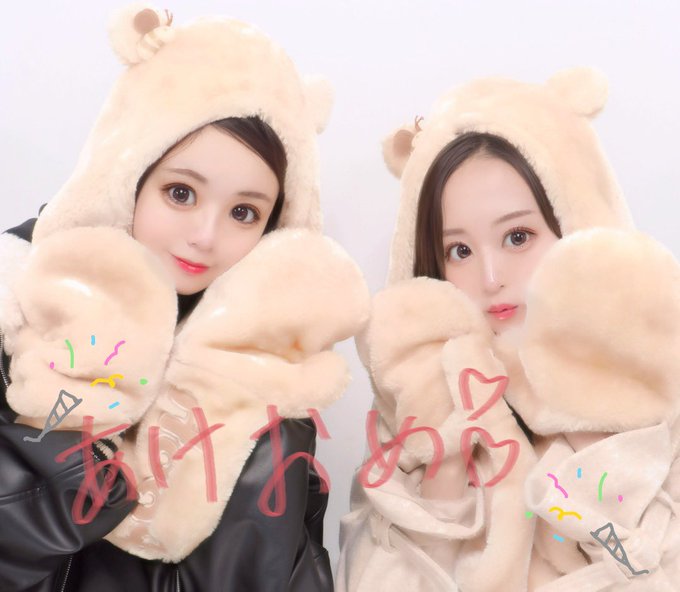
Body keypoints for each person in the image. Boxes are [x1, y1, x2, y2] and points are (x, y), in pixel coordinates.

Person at [0, 5, 369, 591]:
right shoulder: (20, 314)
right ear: (129, 178)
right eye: (180, 193)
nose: (205, 235)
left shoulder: (273, 387)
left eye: (244, 212)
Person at [338, 68, 680, 591]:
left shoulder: (654, 386)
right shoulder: (415, 404)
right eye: (460, 250)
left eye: (518, 236)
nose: (491, 277)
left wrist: (591, 432)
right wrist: (445, 467)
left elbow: (653, 572)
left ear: (576, 228)